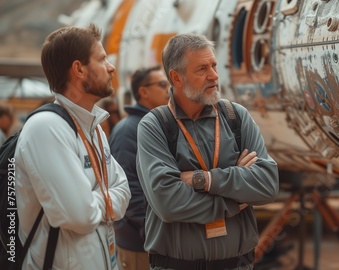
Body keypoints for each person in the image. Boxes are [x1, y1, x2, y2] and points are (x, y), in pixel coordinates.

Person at [136, 33, 279, 270]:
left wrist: (204, 179)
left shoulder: (235, 117)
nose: (213, 75)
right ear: (176, 77)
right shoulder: (155, 126)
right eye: (202, 69)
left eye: (213, 65)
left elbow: (267, 185)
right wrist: (236, 200)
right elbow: (168, 203)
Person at [14, 23, 131, 269]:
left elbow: (125, 190)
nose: (111, 68)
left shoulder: (93, 126)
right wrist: (100, 202)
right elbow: (80, 216)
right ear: (79, 69)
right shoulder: (46, 127)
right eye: (102, 59)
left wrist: (92, 200)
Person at [110, 66, 170, 270]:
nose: (169, 89)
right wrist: (156, 235)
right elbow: (128, 190)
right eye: (162, 84)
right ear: (143, 91)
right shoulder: (129, 130)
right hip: (140, 244)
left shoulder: (156, 126)